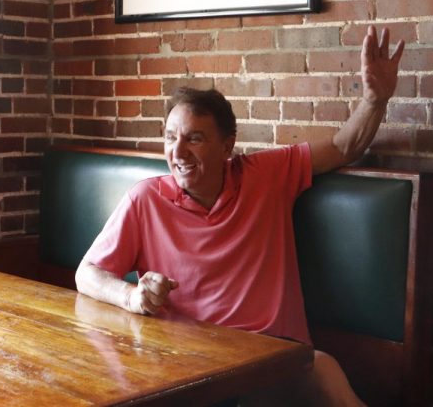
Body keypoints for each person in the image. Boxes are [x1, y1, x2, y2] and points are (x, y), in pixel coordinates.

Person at [75, 25, 405, 406]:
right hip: (186, 365)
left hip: (271, 357)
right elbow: (88, 274)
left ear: (227, 145)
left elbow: (343, 145)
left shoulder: (265, 174)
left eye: (194, 138)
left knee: (324, 371)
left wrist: (374, 100)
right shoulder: (145, 199)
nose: (178, 152)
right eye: (170, 137)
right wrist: (132, 296)